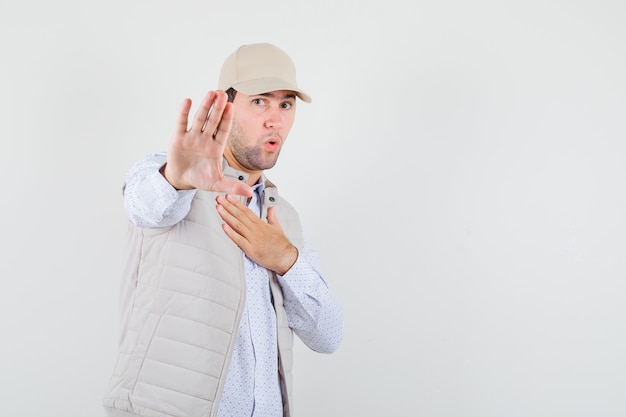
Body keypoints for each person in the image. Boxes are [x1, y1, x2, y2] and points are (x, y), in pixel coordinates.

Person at [102, 43, 344, 417]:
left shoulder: (285, 219)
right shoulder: (168, 178)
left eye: (286, 104)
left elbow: (328, 336)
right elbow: (144, 207)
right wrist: (177, 180)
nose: (275, 120)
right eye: (261, 101)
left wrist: (286, 260)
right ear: (224, 108)